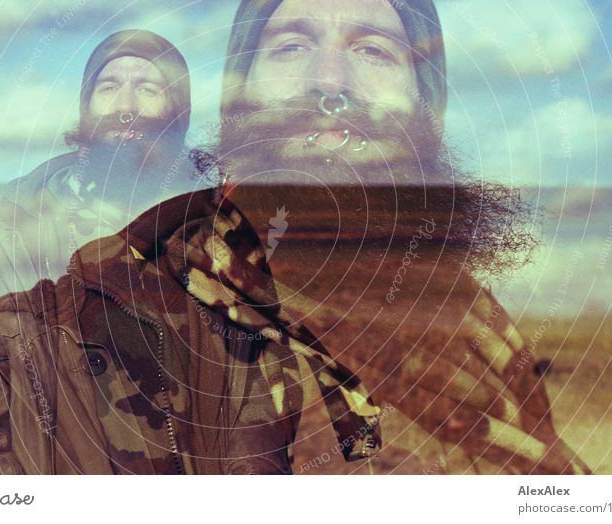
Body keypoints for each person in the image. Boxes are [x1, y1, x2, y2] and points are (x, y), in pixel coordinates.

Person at [0, 29, 379, 474]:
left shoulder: (216, 234)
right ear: (84, 110)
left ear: (178, 116)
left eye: (149, 88)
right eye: (108, 87)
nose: (126, 104)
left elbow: (258, 385)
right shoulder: (6, 232)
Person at [211, 0, 591, 474]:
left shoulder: (474, 321)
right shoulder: (131, 285)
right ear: (239, 88)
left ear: (425, 100)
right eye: (290, 46)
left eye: (374, 51)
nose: (330, 81)